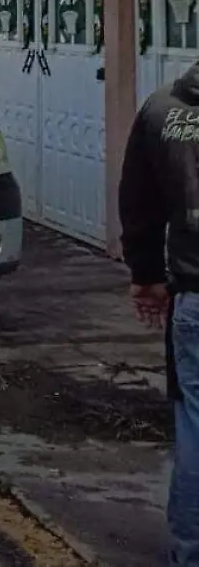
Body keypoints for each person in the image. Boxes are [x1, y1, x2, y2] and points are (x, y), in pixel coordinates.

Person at [119, 61, 199, 563]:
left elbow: (138, 203)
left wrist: (147, 276)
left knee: (195, 429)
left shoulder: (163, 109)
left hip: (194, 295)